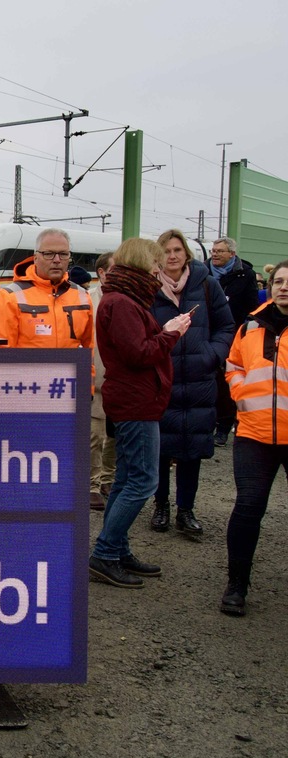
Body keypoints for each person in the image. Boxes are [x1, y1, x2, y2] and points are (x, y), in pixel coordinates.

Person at [89, 238, 190, 588]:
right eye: (156, 262)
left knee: (126, 478)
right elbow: (139, 354)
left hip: (132, 400)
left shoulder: (120, 299)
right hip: (136, 402)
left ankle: (116, 550)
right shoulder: (123, 303)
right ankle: (104, 553)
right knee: (143, 480)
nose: (159, 269)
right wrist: (170, 333)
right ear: (142, 263)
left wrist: (164, 332)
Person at [148, 229, 234, 536]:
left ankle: (186, 510)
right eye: (166, 251)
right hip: (163, 378)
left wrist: (211, 355)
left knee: (192, 449)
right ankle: (161, 506)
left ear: (187, 253)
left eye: (177, 250)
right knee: (160, 447)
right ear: (158, 256)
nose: (172, 256)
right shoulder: (149, 288)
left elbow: (226, 327)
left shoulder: (207, 285)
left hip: (199, 378)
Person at [220, 259, 288, 615]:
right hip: (254, 433)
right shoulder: (249, 326)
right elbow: (233, 366)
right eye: (278, 281)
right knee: (249, 506)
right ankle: (236, 585)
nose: (283, 287)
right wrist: (241, 394)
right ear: (271, 285)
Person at [0, 228, 93, 349]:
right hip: (25, 368)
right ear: (35, 258)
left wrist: (88, 368)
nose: (57, 260)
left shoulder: (83, 296)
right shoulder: (9, 297)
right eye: (49, 254)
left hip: (70, 368)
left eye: (63, 254)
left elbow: (89, 349)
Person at [209, 237, 260, 446]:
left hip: (233, 335)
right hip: (206, 334)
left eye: (220, 251)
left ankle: (224, 426)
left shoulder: (245, 275)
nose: (214, 254)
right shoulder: (203, 273)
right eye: (213, 250)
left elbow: (251, 307)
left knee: (227, 381)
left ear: (232, 254)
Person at [89, 252, 116, 511]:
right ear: (101, 273)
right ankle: (92, 485)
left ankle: (108, 477)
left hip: (118, 378)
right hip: (96, 375)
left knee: (114, 435)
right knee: (95, 435)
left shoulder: (127, 300)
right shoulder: (89, 300)